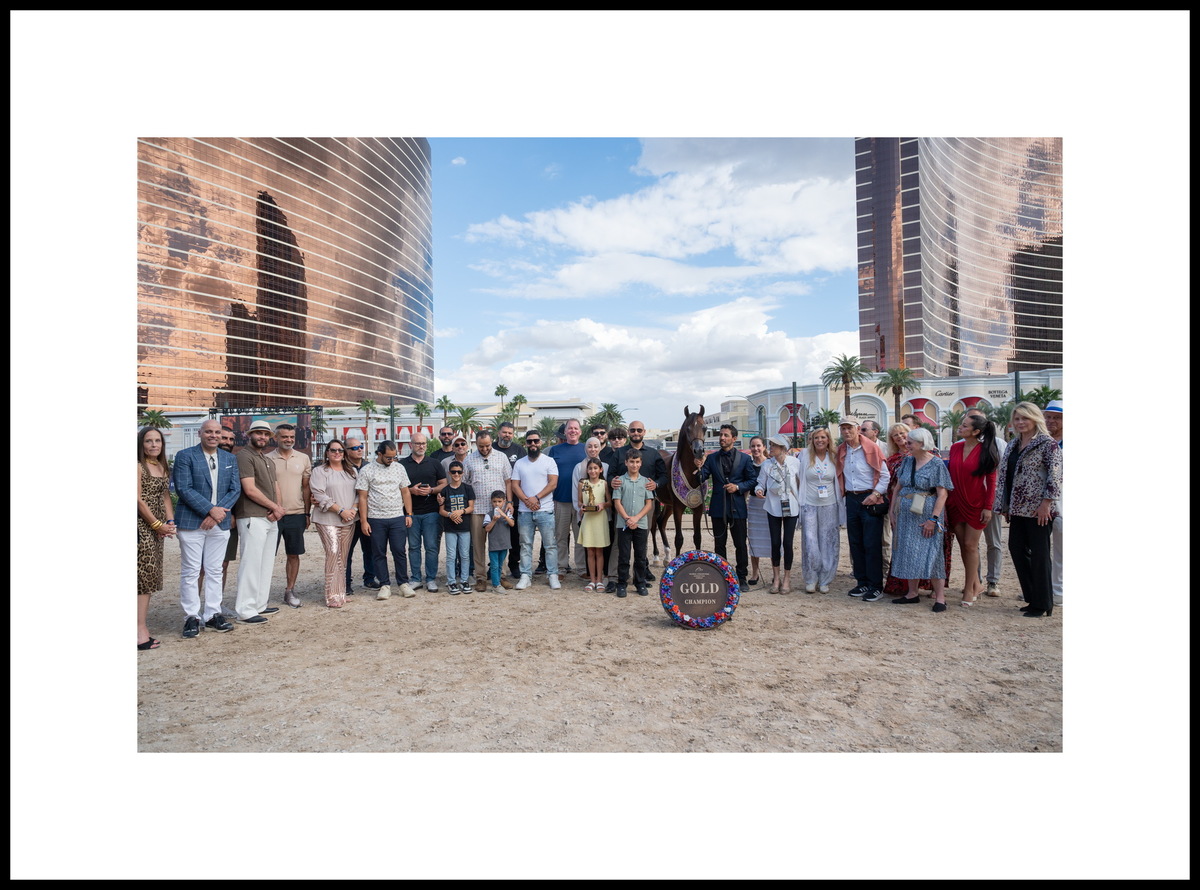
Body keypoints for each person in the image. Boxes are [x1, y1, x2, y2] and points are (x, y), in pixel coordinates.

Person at [172, 418, 240, 638]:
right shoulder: (185, 456)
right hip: (192, 522)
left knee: (215, 570)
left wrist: (218, 512)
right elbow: (184, 488)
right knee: (191, 571)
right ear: (200, 433)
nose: (213, 435)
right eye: (208, 431)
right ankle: (191, 616)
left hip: (218, 524)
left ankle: (212, 614)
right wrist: (211, 510)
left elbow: (235, 490)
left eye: (217, 432)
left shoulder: (229, 458)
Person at [993, 402, 1062, 618]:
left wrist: (1046, 504)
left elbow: (1056, 476)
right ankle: (1034, 597)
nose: (1021, 422)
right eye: (1017, 419)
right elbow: (1006, 476)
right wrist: (1004, 505)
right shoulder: (1013, 445)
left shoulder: (1047, 444)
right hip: (1017, 508)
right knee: (1016, 549)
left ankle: (1043, 603)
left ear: (1034, 419)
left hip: (1038, 509)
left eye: (1025, 418)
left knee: (1040, 555)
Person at [887, 427, 954, 612]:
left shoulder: (937, 464)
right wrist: (892, 511)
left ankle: (940, 597)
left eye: (910, 442)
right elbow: (898, 487)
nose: (905, 444)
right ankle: (912, 593)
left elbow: (942, 494)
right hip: (906, 515)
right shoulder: (907, 461)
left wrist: (933, 519)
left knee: (932, 554)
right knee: (908, 552)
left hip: (927, 515)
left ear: (922, 444)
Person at [234, 419, 286, 624]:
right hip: (251, 516)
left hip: (270, 517)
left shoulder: (267, 459)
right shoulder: (244, 457)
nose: (262, 437)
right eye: (258, 433)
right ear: (249, 435)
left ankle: (259, 604)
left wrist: (278, 510)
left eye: (266, 434)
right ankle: (245, 610)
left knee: (266, 563)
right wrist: (275, 508)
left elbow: (275, 486)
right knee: (251, 563)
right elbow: (249, 489)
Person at [605, 421, 668, 590]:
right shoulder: (619, 453)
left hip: (645, 505)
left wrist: (656, 484)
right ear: (628, 432)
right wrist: (613, 481)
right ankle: (615, 578)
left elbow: (663, 477)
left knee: (641, 542)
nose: (636, 432)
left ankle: (640, 576)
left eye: (639, 430)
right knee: (620, 544)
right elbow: (610, 475)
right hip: (623, 503)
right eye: (632, 430)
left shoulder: (653, 454)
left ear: (644, 432)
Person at [947, 413, 1000, 606]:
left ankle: (969, 589)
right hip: (954, 502)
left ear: (976, 432)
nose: (960, 428)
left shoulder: (987, 450)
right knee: (964, 546)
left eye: (964, 426)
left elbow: (992, 482)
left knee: (970, 545)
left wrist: (988, 507)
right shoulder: (955, 447)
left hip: (977, 504)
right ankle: (976, 584)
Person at [696, 423, 758, 589]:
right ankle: (721, 574)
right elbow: (701, 478)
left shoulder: (745, 458)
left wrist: (737, 487)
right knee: (719, 544)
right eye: (721, 435)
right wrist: (698, 468)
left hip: (737, 506)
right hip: (718, 507)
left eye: (725, 435)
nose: (722, 438)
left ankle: (742, 577)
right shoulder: (711, 457)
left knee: (740, 544)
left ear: (734, 439)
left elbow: (753, 480)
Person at [836, 417, 891, 602]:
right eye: (843, 428)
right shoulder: (842, 450)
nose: (846, 431)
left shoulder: (872, 449)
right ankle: (862, 582)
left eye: (849, 428)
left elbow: (885, 476)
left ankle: (876, 585)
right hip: (851, 498)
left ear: (858, 429)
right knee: (856, 543)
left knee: (871, 544)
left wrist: (875, 494)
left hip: (870, 498)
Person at [355, 440, 416, 600]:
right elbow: (362, 497)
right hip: (375, 518)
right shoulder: (367, 470)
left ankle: (403, 583)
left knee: (399, 551)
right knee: (378, 553)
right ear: (379, 454)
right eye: (388, 457)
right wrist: (363, 521)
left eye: (394, 457)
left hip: (397, 517)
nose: (391, 460)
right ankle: (384, 584)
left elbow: (405, 492)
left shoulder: (399, 468)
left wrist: (408, 514)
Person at [137, 427, 177, 649]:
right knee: (143, 580)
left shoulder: (161, 466)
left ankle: (140, 627)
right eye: (149, 441)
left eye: (158, 441)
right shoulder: (137, 467)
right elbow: (138, 500)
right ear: (141, 444)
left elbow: (165, 496)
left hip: (157, 529)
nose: (154, 445)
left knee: (149, 578)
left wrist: (170, 523)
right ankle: (140, 631)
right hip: (141, 526)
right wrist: (156, 524)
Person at [309, 439, 360, 608]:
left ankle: (341, 592)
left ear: (344, 453)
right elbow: (319, 494)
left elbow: (360, 492)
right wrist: (340, 510)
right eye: (333, 450)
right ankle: (331, 595)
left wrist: (353, 509)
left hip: (349, 519)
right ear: (327, 453)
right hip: (327, 519)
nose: (337, 453)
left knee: (343, 556)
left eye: (340, 450)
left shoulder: (352, 471)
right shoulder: (319, 471)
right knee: (332, 552)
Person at [267, 422, 311, 609]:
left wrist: (307, 513)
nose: (289, 440)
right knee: (267, 556)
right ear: (275, 438)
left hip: (296, 514)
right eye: (284, 436)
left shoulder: (303, 458)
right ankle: (261, 593)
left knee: (293, 554)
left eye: (291, 437)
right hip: (271, 515)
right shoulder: (266, 458)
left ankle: (289, 590)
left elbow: (306, 487)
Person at [963, 410, 1007, 597]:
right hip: (970, 501)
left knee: (993, 542)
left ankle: (993, 581)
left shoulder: (998, 444)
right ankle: (976, 580)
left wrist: (999, 503)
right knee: (972, 544)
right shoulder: (960, 445)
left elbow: (1001, 475)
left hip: (990, 501)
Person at [463, 430, 513, 592]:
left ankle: (502, 575)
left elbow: (508, 481)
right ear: (475, 444)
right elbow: (466, 483)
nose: (484, 449)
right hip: (478, 509)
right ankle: (480, 578)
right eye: (481, 446)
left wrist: (509, 502)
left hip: (498, 510)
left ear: (492, 442)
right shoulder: (469, 459)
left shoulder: (501, 457)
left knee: (501, 543)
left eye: (487, 446)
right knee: (478, 545)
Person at [510, 430, 560, 590]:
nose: (533, 444)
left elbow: (553, 483)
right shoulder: (520, 463)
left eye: (535, 441)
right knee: (525, 544)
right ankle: (525, 575)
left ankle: (552, 574)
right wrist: (527, 500)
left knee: (550, 544)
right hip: (525, 511)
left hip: (545, 510)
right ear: (525, 443)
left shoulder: (549, 461)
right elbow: (514, 485)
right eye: (529, 441)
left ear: (541, 442)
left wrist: (536, 498)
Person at [754, 434, 803, 594]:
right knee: (775, 542)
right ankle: (776, 577)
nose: (771, 448)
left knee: (787, 543)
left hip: (792, 506)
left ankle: (787, 578)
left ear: (782, 447)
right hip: (773, 506)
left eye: (774, 445)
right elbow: (760, 482)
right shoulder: (767, 465)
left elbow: (801, 483)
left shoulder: (795, 462)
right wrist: (759, 489)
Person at [401, 431, 447, 593]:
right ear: (410, 445)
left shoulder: (434, 463)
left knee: (431, 547)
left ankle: (431, 578)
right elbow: (397, 487)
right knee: (413, 547)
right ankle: (415, 578)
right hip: (411, 512)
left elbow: (444, 484)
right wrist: (410, 491)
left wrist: (432, 490)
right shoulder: (402, 464)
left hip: (432, 512)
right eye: (418, 443)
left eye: (424, 443)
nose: (421, 446)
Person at [198, 426, 239, 601]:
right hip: (200, 518)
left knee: (222, 565)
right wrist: (211, 512)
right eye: (224, 438)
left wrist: (227, 514)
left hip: (227, 519)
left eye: (231, 440)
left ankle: (215, 606)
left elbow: (235, 490)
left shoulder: (232, 460)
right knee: (199, 567)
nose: (227, 442)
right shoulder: (196, 458)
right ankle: (194, 609)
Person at [799, 427, 840, 594]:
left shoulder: (834, 457)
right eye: (816, 438)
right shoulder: (804, 456)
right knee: (810, 542)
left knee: (828, 541)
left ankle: (825, 578)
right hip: (809, 504)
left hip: (829, 504)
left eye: (823, 437)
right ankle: (811, 577)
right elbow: (797, 478)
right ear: (812, 440)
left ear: (828, 439)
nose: (820, 440)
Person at [546, 418, 588, 578]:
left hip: (581, 502)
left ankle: (582, 569)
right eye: (570, 428)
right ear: (565, 431)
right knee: (561, 536)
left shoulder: (586, 449)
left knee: (580, 537)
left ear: (580, 431)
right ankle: (561, 567)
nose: (573, 431)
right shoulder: (555, 450)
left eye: (576, 428)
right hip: (560, 500)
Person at [612, 450, 655, 597]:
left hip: (641, 524)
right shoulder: (620, 481)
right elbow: (617, 503)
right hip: (623, 524)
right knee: (624, 555)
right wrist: (627, 518)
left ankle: (640, 583)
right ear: (626, 463)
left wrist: (636, 518)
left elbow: (648, 504)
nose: (634, 465)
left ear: (641, 463)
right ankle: (622, 583)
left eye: (637, 462)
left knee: (640, 556)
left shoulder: (646, 482)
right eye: (631, 461)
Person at [571, 437, 611, 587]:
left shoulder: (604, 479)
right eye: (589, 446)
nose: (593, 449)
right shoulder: (582, 479)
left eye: (596, 446)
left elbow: (609, 501)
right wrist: (580, 508)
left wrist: (603, 506)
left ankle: (600, 579)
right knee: (589, 551)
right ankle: (592, 579)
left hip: (600, 519)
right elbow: (579, 500)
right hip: (587, 518)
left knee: (599, 551)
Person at [342, 437, 379, 593]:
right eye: (354, 447)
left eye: (361, 446)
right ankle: (345, 583)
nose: (359, 449)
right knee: (346, 552)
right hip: (348, 515)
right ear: (347, 451)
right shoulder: (341, 468)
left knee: (370, 549)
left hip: (368, 515)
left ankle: (369, 579)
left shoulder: (369, 467)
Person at [492, 421, 527, 581]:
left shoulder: (519, 450)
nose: (507, 435)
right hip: (495, 500)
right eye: (504, 432)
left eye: (510, 433)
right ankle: (494, 566)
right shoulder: (490, 448)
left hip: (515, 501)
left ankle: (514, 564)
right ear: (499, 433)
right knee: (496, 535)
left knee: (514, 535)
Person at [438, 460, 476, 594]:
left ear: (462, 473)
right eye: (453, 472)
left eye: (459, 472)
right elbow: (441, 510)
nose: (456, 474)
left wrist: (461, 512)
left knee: (465, 555)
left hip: (464, 527)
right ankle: (452, 581)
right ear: (449, 473)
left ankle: (464, 580)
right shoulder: (445, 490)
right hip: (450, 528)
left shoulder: (467, 488)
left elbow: (471, 507)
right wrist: (451, 514)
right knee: (451, 556)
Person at [1044, 399, 1063, 606]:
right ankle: (1040, 587)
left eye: (1057, 418)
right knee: (1039, 547)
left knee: (1061, 547)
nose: (1051, 421)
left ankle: (1058, 589)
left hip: (1062, 500)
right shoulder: (1041, 441)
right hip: (1039, 502)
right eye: (1048, 417)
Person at [744, 436, 770, 586]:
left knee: (773, 539)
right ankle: (754, 573)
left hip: (769, 504)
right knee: (753, 539)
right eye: (753, 446)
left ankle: (775, 572)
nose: (756, 449)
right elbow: (747, 486)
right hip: (754, 504)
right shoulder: (748, 464)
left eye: (758, 446)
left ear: (764, 447)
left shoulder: (770, 463)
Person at [483, 490, 515, 593]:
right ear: (491, 502)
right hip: (494, 545)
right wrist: (494, 520)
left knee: (500, 565)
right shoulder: (489, 515)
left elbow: (512, 524)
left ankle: (498, 582)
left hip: (504, 544)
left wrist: (504, 515)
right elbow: (487, 529)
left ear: (504, 501)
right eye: (494, 501)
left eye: (499, 501)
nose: (497, 504)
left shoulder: (507, 513)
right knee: (494, 565)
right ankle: (495, 585)